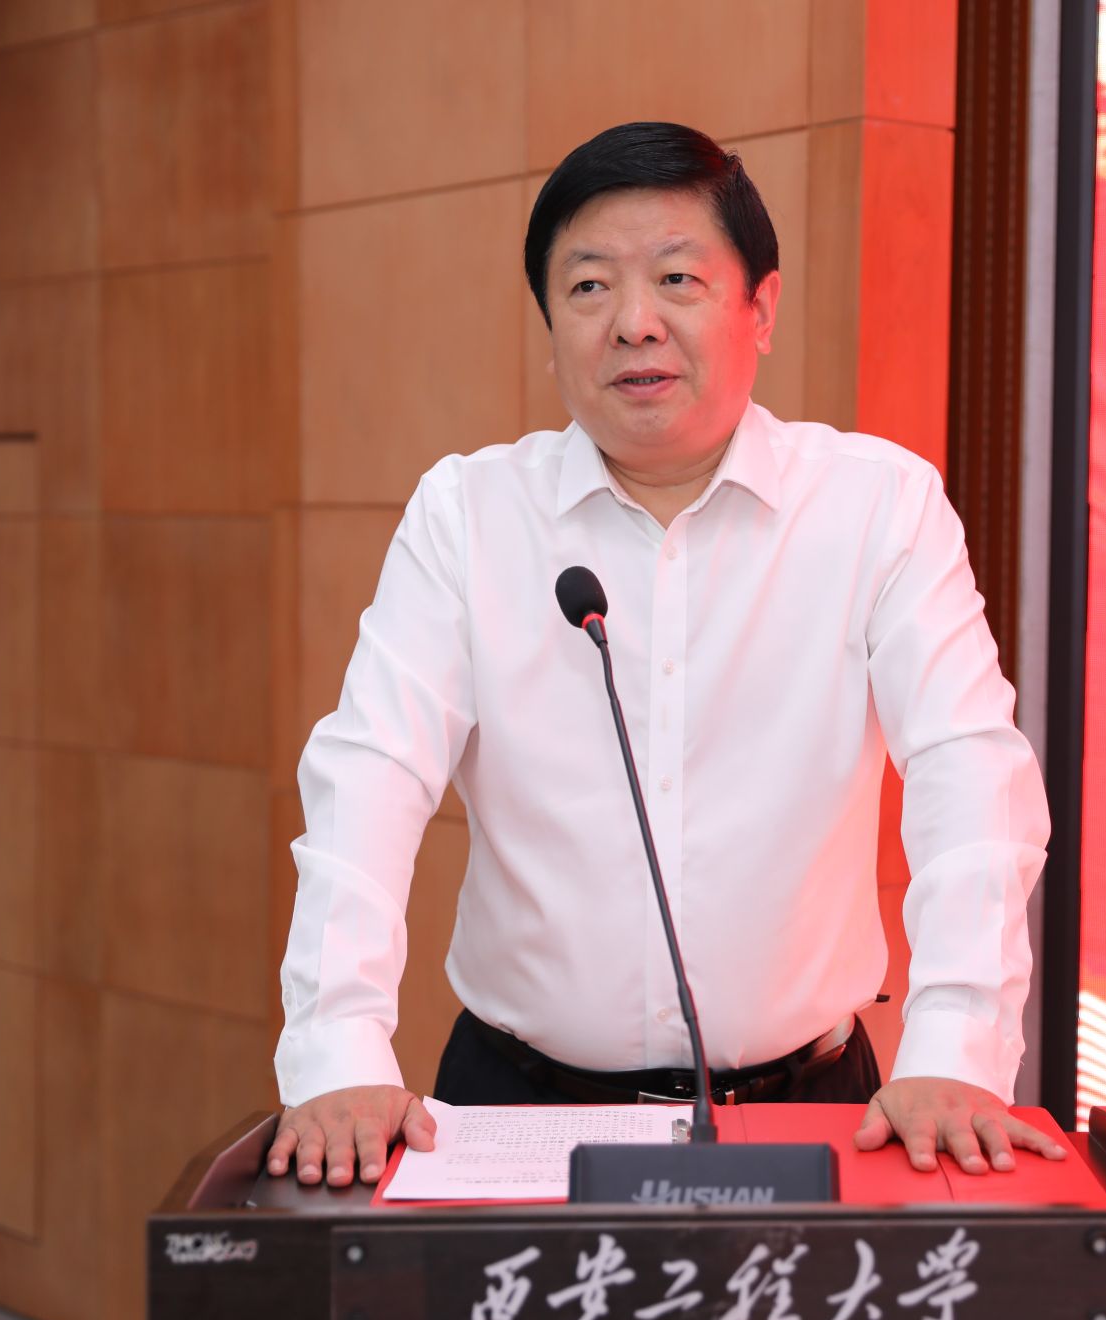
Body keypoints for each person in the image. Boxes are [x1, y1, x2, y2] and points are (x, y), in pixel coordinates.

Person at [264, 122, 1056, 1191]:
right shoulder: (469, 515)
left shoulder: (878, 508)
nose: (633, 322)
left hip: (810, 1108)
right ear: (551, 328)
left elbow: (972, 779)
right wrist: (338, 1051)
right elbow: (369, 778)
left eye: (677, 278)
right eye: (588, 287)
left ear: (759, 308)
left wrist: (955, 1048)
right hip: (515, 1107)